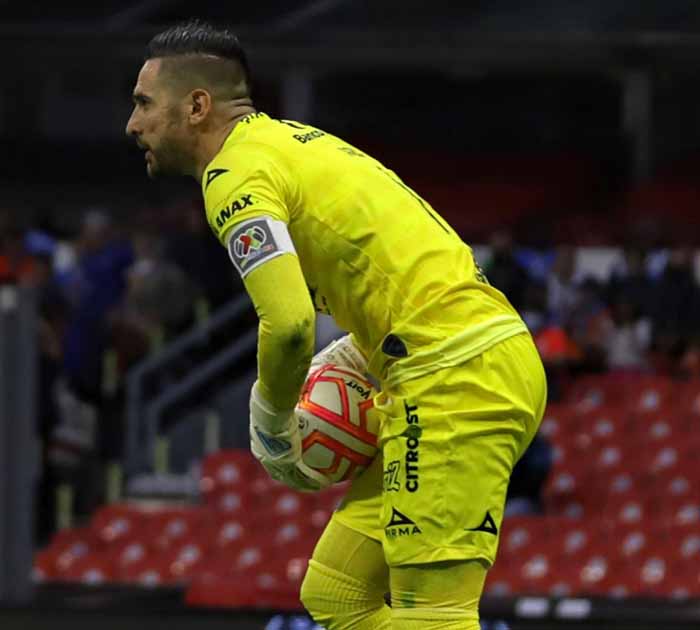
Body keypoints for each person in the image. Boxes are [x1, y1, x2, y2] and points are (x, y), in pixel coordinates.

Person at [126, 20, 546, 630]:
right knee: (337, 593)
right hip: (455, 356)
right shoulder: (289, 143)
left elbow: (290, 323)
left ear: (196, 107)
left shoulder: (235, 176)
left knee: (433, 616)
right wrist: (359, 350)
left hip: (453, 376)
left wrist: (270, 420)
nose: (132, 124)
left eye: (143, 103)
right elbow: (397, 268)